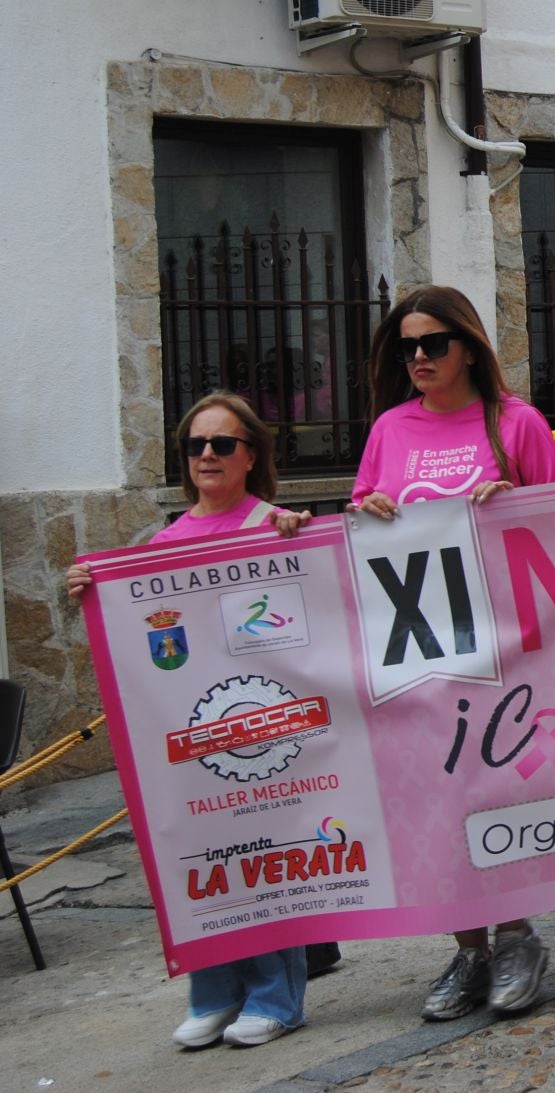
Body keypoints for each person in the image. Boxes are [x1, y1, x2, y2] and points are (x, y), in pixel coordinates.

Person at [69, 394, 313, 1049]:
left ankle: (275, 996)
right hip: (192, 732)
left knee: (265, 860)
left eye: (222, 443)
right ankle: (213, 992)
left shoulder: (274, 522)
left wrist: (305, 538)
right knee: (201, 857)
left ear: (251, 454)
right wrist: (90, 591)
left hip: (265, 730)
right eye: (195, 445)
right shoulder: (163, 543)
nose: (207, 454)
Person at [352, 285, 555, 1020]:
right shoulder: (389, 430)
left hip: (504, 651)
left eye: (433, 343)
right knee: (438, 804)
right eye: (406, 345)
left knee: (496, 793)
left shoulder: (519, 424)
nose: (417, 356)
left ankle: (517, 936)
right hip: (418, 653)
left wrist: (518, 507)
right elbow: (360, 524)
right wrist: (368, 513)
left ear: (468, 347)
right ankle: (468, 946)